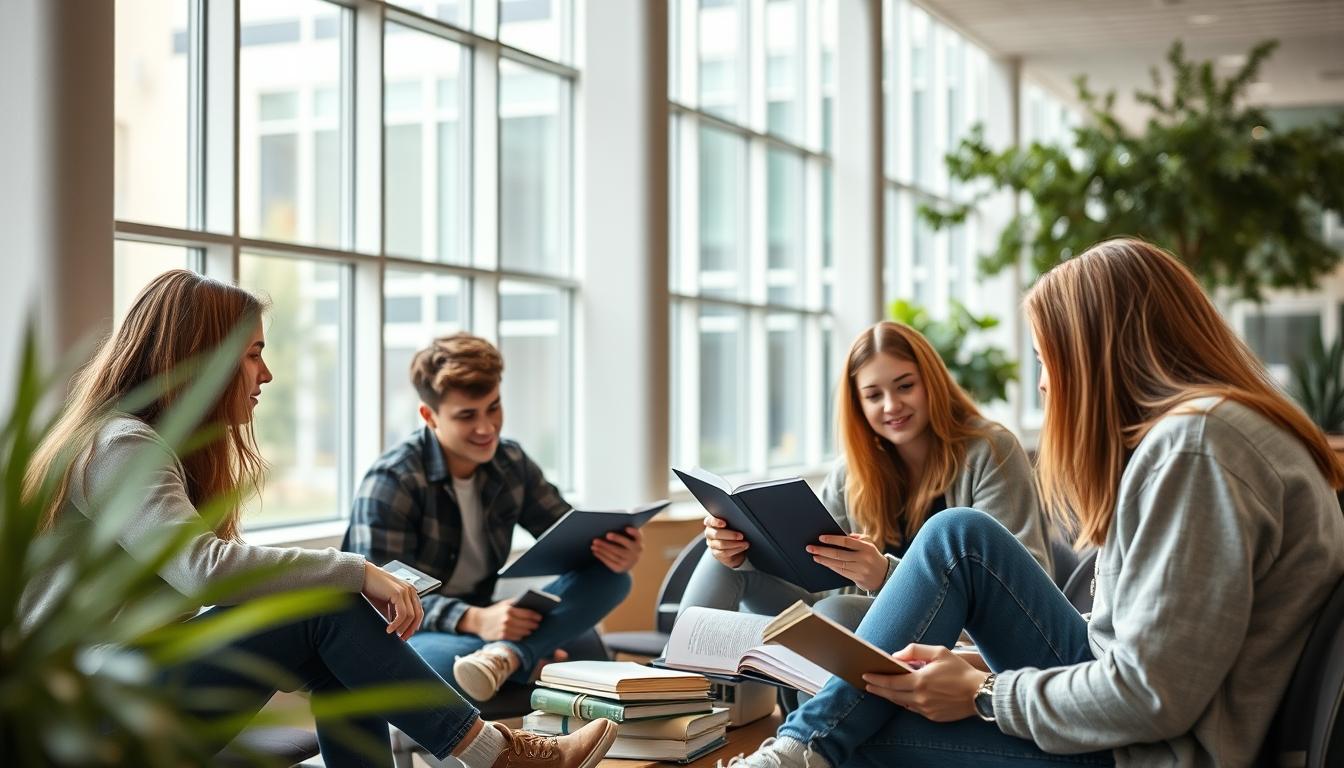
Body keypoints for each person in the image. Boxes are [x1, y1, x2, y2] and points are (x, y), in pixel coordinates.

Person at [729, 238, 1344, 768]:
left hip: (1152, 750)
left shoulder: (1197, 448)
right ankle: (800, 749)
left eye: (1048, 360)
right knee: (958, 536)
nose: (1045, 383)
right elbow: (1140, 660)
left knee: (856, 735)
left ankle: (799, 749)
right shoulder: (1207, 435)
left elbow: (1153, 695)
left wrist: (985, 693)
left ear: (1099, 354)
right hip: (1144, 729)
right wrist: (972, 670)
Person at [20, 270, 617, 768]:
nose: (267, 374)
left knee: (332, 624)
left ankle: (498, 752)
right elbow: (202, 571)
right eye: (254, 354)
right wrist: (356, 571)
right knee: (330, 603)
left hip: (130, 687)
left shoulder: (145, 444)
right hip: (92, 717)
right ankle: (501, 755)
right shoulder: (123, 445)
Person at [679, 320, 1052, 629]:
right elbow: (820, 587)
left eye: (905, 386)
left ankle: (812, 720)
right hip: (851, 616)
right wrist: (741, 550)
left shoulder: (990, 450)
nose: (892, 405)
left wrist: (883, 575)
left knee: (834, 617)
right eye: (874, 395)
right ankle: (669, 694)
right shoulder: (849, 474)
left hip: (959, 628)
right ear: (858, 405)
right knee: (723, 561)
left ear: (931, 384)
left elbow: (1025, 582)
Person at [343, 333, 640, 703]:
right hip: (411, 631)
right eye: (467, 415)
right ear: (429, 416)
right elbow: (379, 598)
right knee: (439, 666)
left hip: (489, 629)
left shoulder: (510, 463)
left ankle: (509, 657)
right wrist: (474, 620)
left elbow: (568, 537)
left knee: (612, 579)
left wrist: (611, 551)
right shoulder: (393, 481)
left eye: (494, 408)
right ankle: (525, 657)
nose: (487, 429)